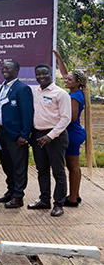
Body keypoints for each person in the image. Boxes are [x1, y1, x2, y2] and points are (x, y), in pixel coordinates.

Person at [28, 64, 72, 217]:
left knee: (58, 171)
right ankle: (44, 200)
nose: (42, 77)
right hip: (38, 136)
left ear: (50, 74)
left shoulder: (60, 94)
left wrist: (50, 136)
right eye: (38, 74)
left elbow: (66, 118)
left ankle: (58, 204)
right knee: (42, 169)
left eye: (45, 74)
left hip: (55, 137)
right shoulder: (35, 92)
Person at [0, 59, 34, 209]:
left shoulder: (22, 88)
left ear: (17, 70)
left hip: (16, 134)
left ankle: (18, 196)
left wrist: (25, 134)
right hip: (2, 131)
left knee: (18, 166)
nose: (4, 70)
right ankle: (10, 191)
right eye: (3, 68)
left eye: (8, 68)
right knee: (6, 164)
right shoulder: (3, 87)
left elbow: (28, 114)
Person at [54, 50, 86, 207]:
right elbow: (65, 73)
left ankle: (72, 199)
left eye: (69, 80)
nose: (65, 80)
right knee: (75, 167)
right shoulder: (77, 91)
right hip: (76, 132)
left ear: (78, 82)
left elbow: (71, 118)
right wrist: (59, 58)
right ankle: (76, 195)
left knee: (72, 167)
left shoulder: (74, 96)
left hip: (72, 133)